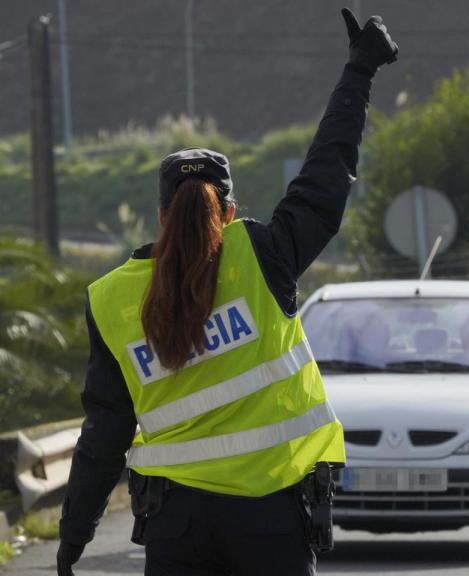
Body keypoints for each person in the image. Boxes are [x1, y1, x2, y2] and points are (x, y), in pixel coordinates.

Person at [55, 9, 398, 576]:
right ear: (231, 212)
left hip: (176, 527)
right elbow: (325, 176)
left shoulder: (111, 299)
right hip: (272, 519)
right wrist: (359, 70)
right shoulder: (263, 255)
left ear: (162, 215)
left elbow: (104, 436)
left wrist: (73, 541)